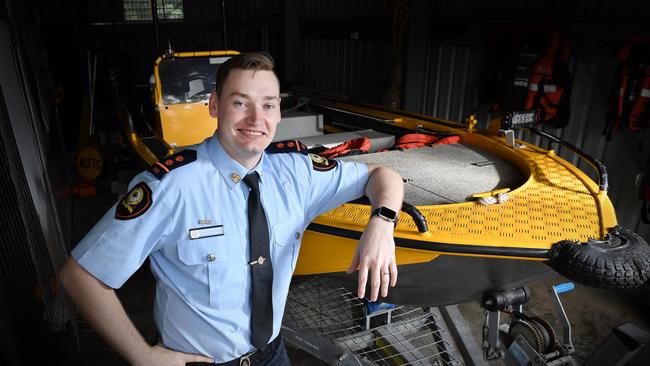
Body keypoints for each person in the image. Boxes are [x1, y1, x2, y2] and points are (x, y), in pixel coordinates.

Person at [59, 52, 404, 366]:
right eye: (240, 103)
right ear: (214, 105)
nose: (256, 118)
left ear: (279, 113)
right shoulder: (172, 186)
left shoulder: (297, 172)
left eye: (268, 105)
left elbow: (381, 174)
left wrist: (382, 222)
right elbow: (81, 276)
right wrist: (141, 355)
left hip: (273, 355)